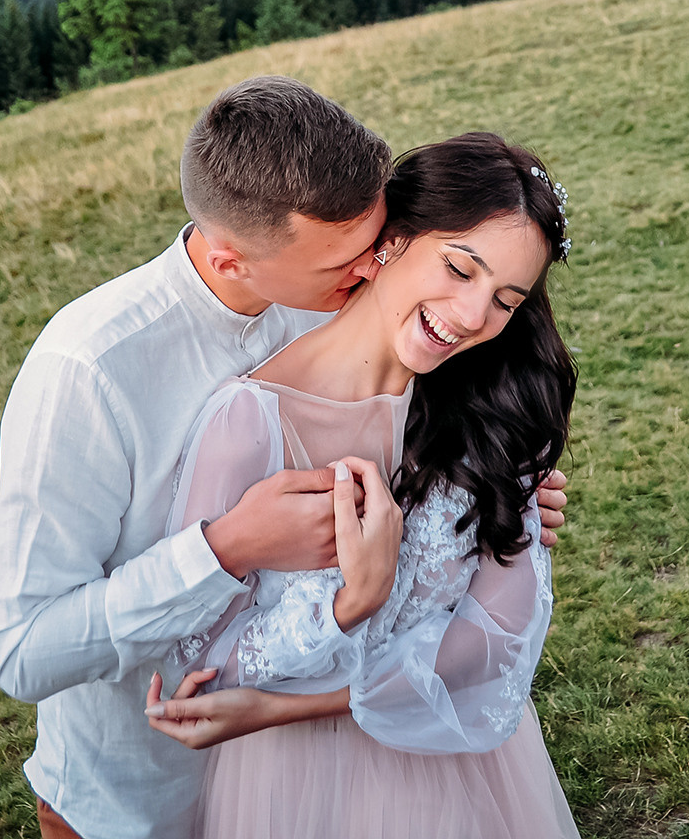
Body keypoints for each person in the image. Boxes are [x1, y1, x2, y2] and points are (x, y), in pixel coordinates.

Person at [0, 78, 569, 839]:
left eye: (378, 240)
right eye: (349, 260)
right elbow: (25, 653)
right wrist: (227, 549)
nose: (371, 269)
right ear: (233, 264)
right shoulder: (88, 370)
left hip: (338, 760)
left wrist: (497, 494)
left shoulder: (343, 299)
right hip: (142, 794)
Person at [144, 132, 580, 839]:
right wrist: (351, 604)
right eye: (460, 269)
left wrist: (289, 704)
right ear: (391, 240)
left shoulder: (496, 414)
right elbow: (197, 660)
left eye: (505, 299)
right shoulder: (251, 422)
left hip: (463, 770)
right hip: (295, 792)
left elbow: (496, 645)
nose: (473, 319)